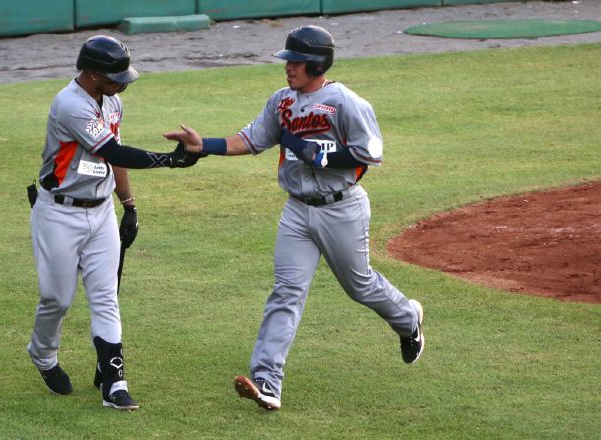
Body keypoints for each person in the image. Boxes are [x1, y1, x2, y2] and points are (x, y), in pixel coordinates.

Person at [164, 26, 424, 411]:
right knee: (286, 292)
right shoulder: (281, 102)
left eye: (296, 62)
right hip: (297, 211)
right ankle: (267, 381)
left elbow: (370, 153)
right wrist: (205, 147)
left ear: (317, 63)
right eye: (287, 61)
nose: (288, 68)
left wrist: (319, 154)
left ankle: (407, 319)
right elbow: (251, 140)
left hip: (341, 207)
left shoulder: (346, 102)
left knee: (359, 286)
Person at [27, 35, 199, 411]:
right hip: (59, 212)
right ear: (90, 74)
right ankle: (42, 356)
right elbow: (113, 151)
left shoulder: (112, 100)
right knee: (56, 299)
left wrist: (129, 204)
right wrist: (170, 161)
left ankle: (114, 381)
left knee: (105, 295)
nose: (123, 83)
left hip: (101, 209)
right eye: (114, 76)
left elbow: (110, 158)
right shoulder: (70, 104)